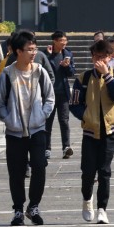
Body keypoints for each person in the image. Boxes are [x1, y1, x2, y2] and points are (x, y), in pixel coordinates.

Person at [0, 30, 55, 226]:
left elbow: (50, 98)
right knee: (16, 172)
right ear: (18, 51)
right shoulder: (8, 73)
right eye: (29, 49)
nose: (33, 53)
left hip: (37, 130)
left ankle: (33, 206)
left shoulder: (40, 71)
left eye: (34, 49)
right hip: (15, 132)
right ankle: (18, 210)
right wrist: (7, 119)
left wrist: (42, 115)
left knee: (39, 167)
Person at [73, 39, 114, 225]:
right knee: (88, 171)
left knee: (104, 171)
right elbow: (74, 104)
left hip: (111, 130)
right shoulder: (83, 78)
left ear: (110, 57)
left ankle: (102, 209)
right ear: (92, 57)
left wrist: (107, 76)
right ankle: (87, 200)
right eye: (97, 56)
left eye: (104, 57)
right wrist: (86, 117)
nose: (100, 60)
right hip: (90, 131)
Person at [45, 31, 76, 160]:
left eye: (65, 40)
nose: (64, 43)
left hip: (63, 92)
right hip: (48, 93)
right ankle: (46, 148)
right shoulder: (45, 54)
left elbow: (72, 73)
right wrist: (48, 55)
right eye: (61, 40)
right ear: (55, 41)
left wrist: (67, 67)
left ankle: (66, 147)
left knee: (64, 121)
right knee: (48, 122)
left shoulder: (67, 54)